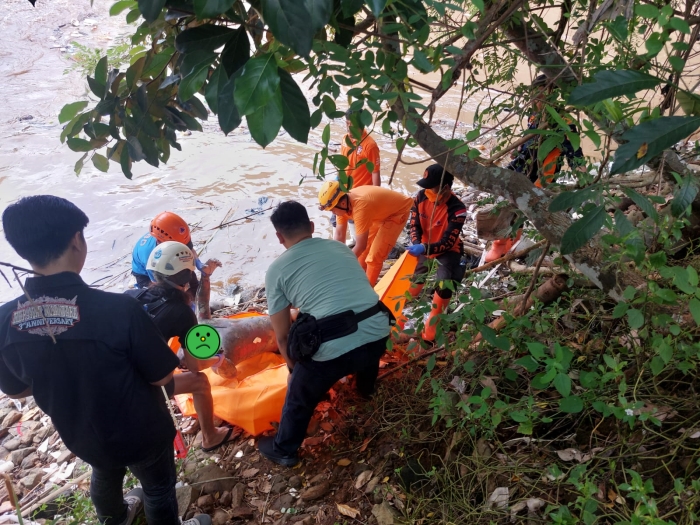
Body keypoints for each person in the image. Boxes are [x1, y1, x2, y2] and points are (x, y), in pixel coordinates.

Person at [0, 196, 210, 525]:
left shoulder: (4, 320)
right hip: (142, 430)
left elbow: (15, 390)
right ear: (76, 240)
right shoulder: (118, 310)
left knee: (104, 471)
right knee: (157, 488)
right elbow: (159, 378)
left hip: (80, 432)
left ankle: (115, 517)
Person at [257, 201, 392, 467]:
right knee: (364, 335)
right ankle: (366, 391)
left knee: (300, 393)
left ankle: (284, 449)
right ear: (311, 226)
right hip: (378, 331)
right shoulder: (341, 248)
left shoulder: (276, 269)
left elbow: (282, 335)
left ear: (278, 236)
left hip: (332, 353)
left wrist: (296, 371)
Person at [125, 241, 239, 453]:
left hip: (116, 376)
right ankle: (210, 436)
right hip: (138, 385)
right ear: (186, 277)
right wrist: (218, 360)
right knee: (200, 382)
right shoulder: (181, 312)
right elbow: (196, 365)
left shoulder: (131, 296)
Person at [484, 74, 584, 262]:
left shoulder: (564, 122)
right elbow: (530, 140)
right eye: (535, 97)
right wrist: (519, 149)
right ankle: (504, 244)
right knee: (508, 203)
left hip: (542, 175)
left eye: (543, 97)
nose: (538, 102)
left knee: (521, 207)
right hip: (522, 168)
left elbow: (575, 153)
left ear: (553, 96)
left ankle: (508, 245)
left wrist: (584, 178)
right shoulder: (534, 116)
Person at [405, 164, 468, 341]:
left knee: (444, 282)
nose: (427, 191)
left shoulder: (458, 209)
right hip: (424, 245)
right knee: (417, 276)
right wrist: (417, 244)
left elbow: (447, 242)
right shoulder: (420, 197)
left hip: (447, 250)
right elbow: (414, 224)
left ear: (445, 188)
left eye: (431, 187)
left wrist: (424, 248)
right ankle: (404, 308)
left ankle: (433, 323)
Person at [318, 181, 413, 286]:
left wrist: (343, 264)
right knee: (362, 255)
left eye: (332, 210)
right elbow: (340, 235)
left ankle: (367, 291)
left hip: (397, 212)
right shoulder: (342, 204)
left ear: (343, 203)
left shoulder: (360, 207)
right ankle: (358, 280)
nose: (333, 213)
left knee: (374, 257)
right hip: (378, 213)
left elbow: (360, 245)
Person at [330, 109, 382, 245]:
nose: (349, 128)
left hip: (359, 198)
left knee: (358, 237)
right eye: (347, 124)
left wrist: (375, 199)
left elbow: (375, 173)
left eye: (353, 125)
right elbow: (342, 165)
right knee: (337, 229)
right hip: (342, 192)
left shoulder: (369, 146)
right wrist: (336, 184)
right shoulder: (344, 139)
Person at [131, 211, 200, 293]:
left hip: (167, 256)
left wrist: (199, 264)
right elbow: (158, 283)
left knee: (193, 283)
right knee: (167, 294)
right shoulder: (151, 254)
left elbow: (190, 250)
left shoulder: (178, 235)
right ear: (160, 241)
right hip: (144, 274)